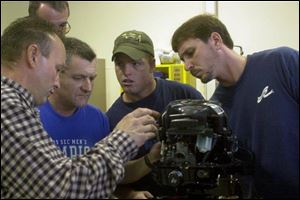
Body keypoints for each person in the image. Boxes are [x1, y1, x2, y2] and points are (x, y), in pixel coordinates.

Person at [1, 16, 159, 199]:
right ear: (33, 56)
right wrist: (124, 138)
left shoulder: (18, 104)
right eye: (58, 69)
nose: (56, 82)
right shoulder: (7, 104)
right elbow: (65, 190)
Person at [171, 14, 299, 199]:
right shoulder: (215, 111)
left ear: (216, 40)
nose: (187, 66)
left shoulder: (282, 62)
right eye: (183, 59)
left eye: (190, 53)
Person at [106, 30, 204, 198]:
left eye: (136, 63)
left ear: (152, 65)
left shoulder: (185, 95)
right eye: (120, 64)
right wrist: (129, 194)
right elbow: (110, 177)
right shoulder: (112, 118)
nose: (126, 71)